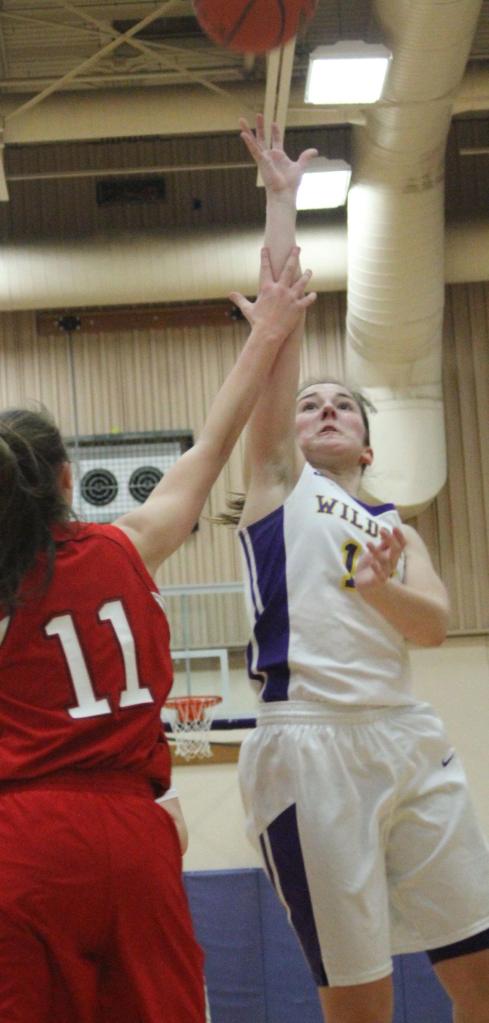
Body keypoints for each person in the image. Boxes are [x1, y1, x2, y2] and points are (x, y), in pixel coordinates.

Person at [0, 247, 316, 1023]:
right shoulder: (127, 542)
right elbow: (210, 449)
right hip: (138, 830)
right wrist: (266, 334)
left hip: (24, 837)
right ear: (68, 480)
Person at [235, 116, 489, 1023]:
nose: (327, 406)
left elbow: (430, 627)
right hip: (310, 745)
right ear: (290, 432)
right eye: (311, 402)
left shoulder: (394, 526)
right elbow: (277, 333)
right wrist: (279, 200)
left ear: (370, 447)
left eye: (345, 403)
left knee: (481, 978)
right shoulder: (274, 482)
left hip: (407, 737)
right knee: (363, 1002)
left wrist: (380, 585)